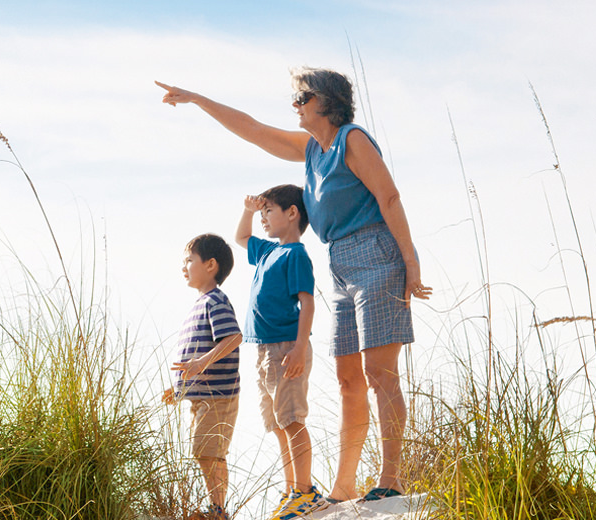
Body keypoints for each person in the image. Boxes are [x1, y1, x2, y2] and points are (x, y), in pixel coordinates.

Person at [159, 68, 432, 504]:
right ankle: (345, 487)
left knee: (379, 374)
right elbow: (252, 129)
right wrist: (197, 99)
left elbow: (390, 197)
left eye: (301, 99)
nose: (294, 107)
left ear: (325, 102)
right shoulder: (310, 150)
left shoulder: (351, 141)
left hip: (377, 254)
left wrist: (410, 260)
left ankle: (392, 477)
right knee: (348, 379)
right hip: (340, 261)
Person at [234, 185, 324, 519]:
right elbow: (241, 238)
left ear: (292, 213)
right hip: (263, 349)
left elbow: (307, 302)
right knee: (276, 423)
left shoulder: (295, 255)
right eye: (261, 214)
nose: (262, 219)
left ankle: (306, 492)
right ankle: (291, 490)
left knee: (292, 420)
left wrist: (300, 348)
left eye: (268, 211)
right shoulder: (268, 251)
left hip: (287, 348)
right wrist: (248, 209)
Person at [162, 233, 243, 520]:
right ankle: (216, 508)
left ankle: (218, 511)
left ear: (210, 265)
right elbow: (192, 358)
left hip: (218, 396)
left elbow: (233, 337)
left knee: (208, 451)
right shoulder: (198, 304)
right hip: (201, 397)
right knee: (204, 451)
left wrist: (202, 362)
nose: (184, 267)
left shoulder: (215, 301)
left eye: (189, 260)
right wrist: (179, 389)